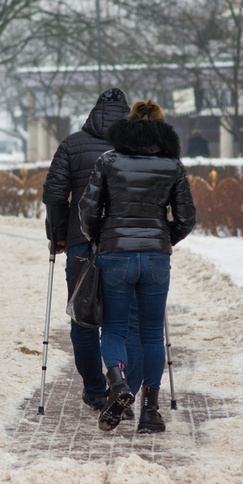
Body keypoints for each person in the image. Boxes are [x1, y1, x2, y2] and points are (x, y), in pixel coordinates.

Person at [79, 100, 196, 433]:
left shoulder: (108, 161)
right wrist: (162, 239)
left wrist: (101, 238)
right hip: (156, 258)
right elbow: (186, 217)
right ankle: (151, 411)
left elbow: (88, 211)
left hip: (115, 255)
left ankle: (117, 382)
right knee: (151, 335)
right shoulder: (172, 166)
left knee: (114, 329)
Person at [43, 88, 143, 417]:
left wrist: (57, 236)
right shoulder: (140, 145)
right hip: (127, 243)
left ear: (93, 112)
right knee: (127, 322)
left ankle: (96, 391)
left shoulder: (72, 145)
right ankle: (125, 385)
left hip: (80, 243)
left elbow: (55, 193)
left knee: (84, 316)